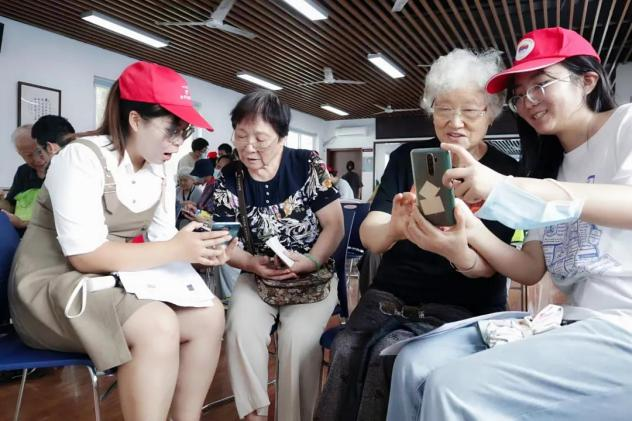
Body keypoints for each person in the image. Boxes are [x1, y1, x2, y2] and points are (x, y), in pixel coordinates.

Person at [387, 27, 632, 421]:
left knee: (452, 388)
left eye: (540, 84)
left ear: (587, 81)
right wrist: (469, 228)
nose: (528, 101)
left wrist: (509, 187)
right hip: (568, 322)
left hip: (621, 326)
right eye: (519, 94)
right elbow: (530, 268)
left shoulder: (625, 124)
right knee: (412, 364)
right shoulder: (548, 167)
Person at [9, 61, 234, 421]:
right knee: (158, 324)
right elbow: (84, 256)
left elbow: (163, 240)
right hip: (53, 286)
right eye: (172, 130)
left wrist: (199, 251)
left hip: (113, 280)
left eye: (184, 132)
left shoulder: (161, 168)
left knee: (210, 314)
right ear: (135, 120)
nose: (178, 142)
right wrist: (176, 248)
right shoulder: (81, 157)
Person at [315, 48, 520, 421]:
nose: (455, 121)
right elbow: (371, 236)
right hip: (390, 296)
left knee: (393, 356)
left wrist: (454, 250)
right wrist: (397, 226)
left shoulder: (506, 173)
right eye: (444, 108)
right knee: (346, 347)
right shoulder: (407, 157)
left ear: (490, 113)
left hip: (464, 306)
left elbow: (492, 264)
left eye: (469, 110)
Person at [213, 90, 343, 421]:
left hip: (311, 276)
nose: (249, 147)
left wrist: (311, 261)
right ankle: (253, 415)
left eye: (260, 138)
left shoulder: (307, 164)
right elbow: (223, 242)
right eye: (241, 136)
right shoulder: (230, 177)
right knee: (240, 327)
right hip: (257, 275)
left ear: (282, 137)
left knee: (298, 341)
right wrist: (249, 262)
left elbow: (334, 226)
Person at [2, 125, 50, 233]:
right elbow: (11, 206)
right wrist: (1, 200)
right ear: (20, 154)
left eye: (40, 151)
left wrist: (23, 223)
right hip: (21, 237)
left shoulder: (62, 171)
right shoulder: (23, 172)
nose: (38, 160)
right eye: (29, 155)